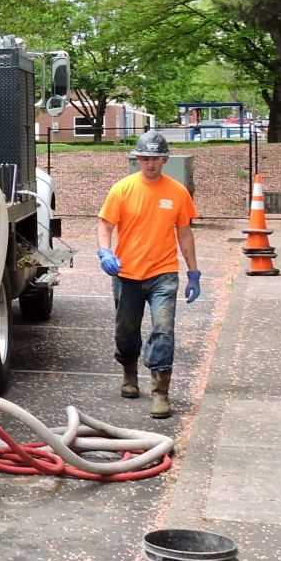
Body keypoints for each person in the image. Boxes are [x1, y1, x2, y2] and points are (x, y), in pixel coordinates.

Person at [96, 129, 200, 419]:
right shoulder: (122, 189)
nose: (150, 164)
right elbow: (105, 226)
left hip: (163, 274)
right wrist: (105, 252)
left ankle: (160, 392)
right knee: (126, 331)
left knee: (163, 330)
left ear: (165, 159)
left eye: (155, 158)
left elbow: (184, 232)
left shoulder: (177, 192)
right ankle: (129, 372)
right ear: (137, 159)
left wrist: (193, 272)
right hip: (127, 273)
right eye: (144, 158)